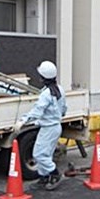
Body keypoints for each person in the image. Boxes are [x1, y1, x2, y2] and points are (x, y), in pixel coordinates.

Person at [13, 61, 67, 190]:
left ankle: (55, 174)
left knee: (39, 155)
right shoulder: (59, 89)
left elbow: (37, 111)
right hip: (54, 126)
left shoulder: (46, 94)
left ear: (43, 77)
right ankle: (43, 177)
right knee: (46, 154)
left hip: (48, 128)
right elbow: (64, 109)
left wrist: (23, 120)